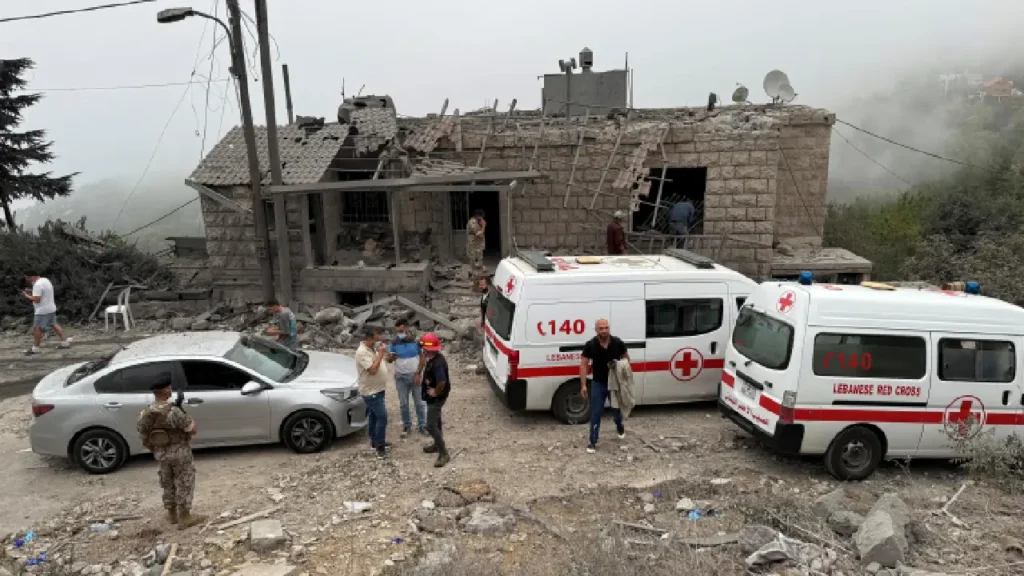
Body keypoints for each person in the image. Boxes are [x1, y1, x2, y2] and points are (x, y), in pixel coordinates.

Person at [136, 375, 205, 529]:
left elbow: (143, 436)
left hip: (161, 453)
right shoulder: (174, 411)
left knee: (167, 482)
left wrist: (156, 449)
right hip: (180, 452)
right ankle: (185, 516)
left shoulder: (145, 413)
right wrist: (184, 413)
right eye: (170, 388)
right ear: (167, 391)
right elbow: (192, 430)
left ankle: (172, 514)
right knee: (184, 482)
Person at [579, 319, 629, 453]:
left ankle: (620, 426)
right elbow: (583, 365)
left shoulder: (617, 342)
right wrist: (583, 385)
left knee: (616, 410)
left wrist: (619, 366)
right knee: (596, 412)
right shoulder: (590, 345)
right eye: (601, 328)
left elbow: (626, 359)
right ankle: (593, 441)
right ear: (596, 330)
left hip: (614, 383)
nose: (604, 330)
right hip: (598, 383)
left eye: (606, 327)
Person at [388, 319, 427, 437]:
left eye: (400, 330)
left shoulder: (416, 341)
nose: (399, 334)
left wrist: (418, 373)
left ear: (406, 328)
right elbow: (390, 359)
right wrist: (391, 357)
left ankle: (422, 425)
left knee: (419, 403)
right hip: (400, 377)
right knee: (404, 404)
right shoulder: (394, 342)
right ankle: (407, 426)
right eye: (397, 331)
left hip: (415, 376)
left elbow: (422, 358)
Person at [356, 325, 390, 457]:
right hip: (370, 392)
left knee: (374, 416)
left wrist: (387, 357)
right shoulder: (361, 352)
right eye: (376, 340)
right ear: (369, 339)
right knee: (382, 417)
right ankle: (380, 447)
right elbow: (372, 370)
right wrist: (381, 354)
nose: (378, 342)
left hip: (379, 389)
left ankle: (375, 440)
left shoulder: (371, 348)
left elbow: (378, 362)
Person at [418, 332, 451, 467]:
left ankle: (444, 453)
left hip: (437, 398)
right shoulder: (432, 358)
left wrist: (435, 392)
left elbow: (442, 382)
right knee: (436, 421)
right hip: (434, 397)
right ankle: (438, 445)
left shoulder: (437, 363)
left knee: (431, 425)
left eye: (424, 349)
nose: (422, 350)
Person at [22, 273, 71, 356]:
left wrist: (27, 296)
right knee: (54, 324)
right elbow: (44, 292)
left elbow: (36, 300)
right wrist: (31, 291)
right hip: (51, 307)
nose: (28, 280)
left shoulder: (37, 285)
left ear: (32, 276)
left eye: (28, 278)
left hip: (42, 310)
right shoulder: (45, 280)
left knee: (37, 328)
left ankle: (36, 348)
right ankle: (65, 343)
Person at [466, 209, 486, 277]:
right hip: (473, 245)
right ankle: (473, 276)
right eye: (481, 217)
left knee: (478, 260)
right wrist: (483, 226)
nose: (482, 219)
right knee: (473, 260)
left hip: (477, 245)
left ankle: (477, 275)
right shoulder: (473, 222)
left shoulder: (477, 222)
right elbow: (479, 234)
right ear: (477, 216)